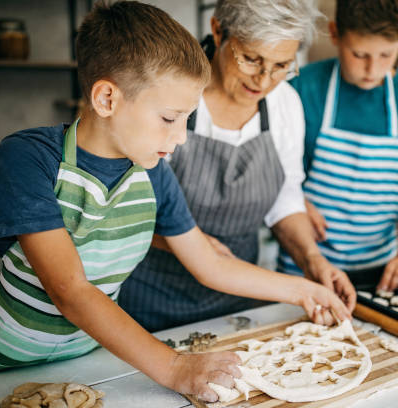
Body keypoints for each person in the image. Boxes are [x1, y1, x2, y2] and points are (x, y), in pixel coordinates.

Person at [0, 2, 350, 402]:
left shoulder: (153, 173)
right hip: (3, 369)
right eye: (170, 119)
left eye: (187, 119)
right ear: (107, 99)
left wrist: (308, 290)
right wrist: (174, 367)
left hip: (92, 360)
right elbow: (71, 290)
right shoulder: (28, 158)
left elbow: (211, 264)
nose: (182, 137)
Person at [119, 0, 356, 331]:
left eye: (281, 65)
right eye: (251, 59)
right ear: (218, 31)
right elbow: (121, 207)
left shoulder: (285, 103)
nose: (264, 79)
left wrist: (311, 258)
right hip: (149, 297)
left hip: (239, 298)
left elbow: (285, 198)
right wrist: (191, 243)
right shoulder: (173, 98)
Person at [279, 0, 398, 292]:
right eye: (359, 54)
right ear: (334, 34)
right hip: (303, 267)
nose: (373, 68)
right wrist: (295, 202)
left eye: (386, 55)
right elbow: (272, 169)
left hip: (378, 270)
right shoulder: (302, 88)